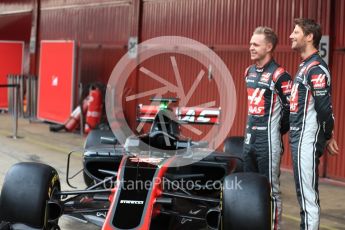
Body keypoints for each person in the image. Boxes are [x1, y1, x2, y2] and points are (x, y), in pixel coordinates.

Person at [289, 18, 339, 230]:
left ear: (309, 37)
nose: (291, 35)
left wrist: (328, 135)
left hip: (306, 141)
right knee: (303, 195)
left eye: (296, 32)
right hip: (299, 140)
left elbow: (324, 109)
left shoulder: (316, 68)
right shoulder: (305, 66)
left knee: (308, 199)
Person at [243, 26, 292, 230]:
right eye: (250, 43)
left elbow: (291, 111)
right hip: (249, 139)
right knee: (248, 188)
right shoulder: (249, 71)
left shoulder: (280, 75)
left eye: (256, 44)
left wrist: (275, 132)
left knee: (270, 191)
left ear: (269, 46)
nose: (251, 47)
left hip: (268, 142)